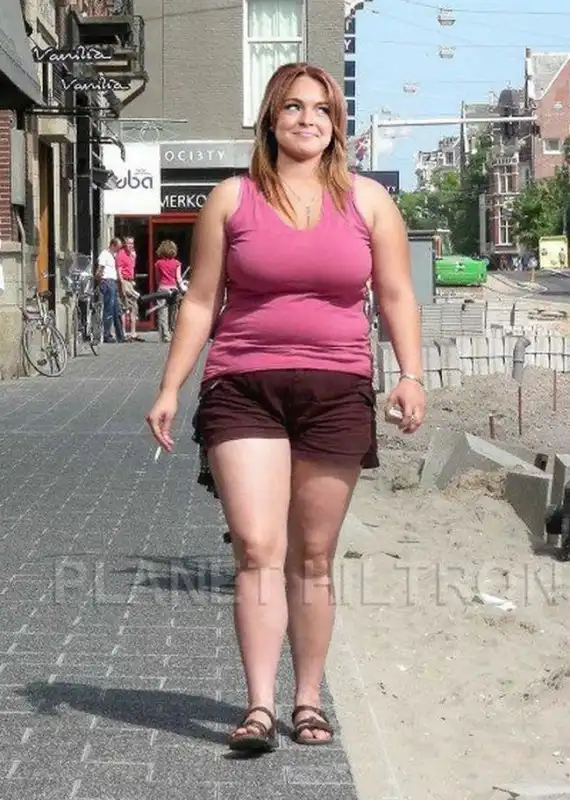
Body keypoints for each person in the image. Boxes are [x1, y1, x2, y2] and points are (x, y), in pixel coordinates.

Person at [145, 62, 425, 753]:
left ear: (337, 124)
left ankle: (309, 700)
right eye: (294, 107)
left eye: (322, 109)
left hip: (337, 391)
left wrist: (411, 375)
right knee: (258, 547)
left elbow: (396, 294)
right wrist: (171, 386)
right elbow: (202, 301)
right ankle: (260, 707)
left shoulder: (368, 202)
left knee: (314, 555)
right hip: (244, 387)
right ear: (271, 119)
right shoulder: (232, 198)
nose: (308, 119)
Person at [95, 237, 125, 343]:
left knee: (117, 310)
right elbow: (100, 269)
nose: (118, 250)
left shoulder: (113, 255)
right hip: (107, 282)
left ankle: (120, 335)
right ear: (113, 245)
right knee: (109, 309)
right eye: (118, 247)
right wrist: (100, 282)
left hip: (113, 282)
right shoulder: (104, 254)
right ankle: (107, 335)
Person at [153, 239, 182, 343]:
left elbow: (157, 278)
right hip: (174, 289)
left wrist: (160, 284)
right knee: (173, 313)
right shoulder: (177, 263)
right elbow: (178, 278)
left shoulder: (158, 263)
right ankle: (173, 332)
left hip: (162, 288)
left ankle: (165, 335)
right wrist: (182, 288)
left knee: (162, 312)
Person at [116, 236, 144, 342]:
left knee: (134, 307)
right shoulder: (121, 255)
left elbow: (131, 268)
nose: (131, 245)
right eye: (129, 243)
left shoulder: (130, 255)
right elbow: (119, 271)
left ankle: (133, 332)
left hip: (130, 281)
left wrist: (133, 258)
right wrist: (123, 284)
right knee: (125, 307)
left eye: (132, 243)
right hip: (124, 282)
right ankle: (124, 332)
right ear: (124, 244)